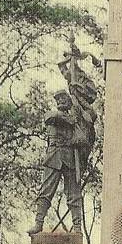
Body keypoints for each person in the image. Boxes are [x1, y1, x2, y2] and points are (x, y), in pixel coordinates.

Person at [28, 90, 87, 235]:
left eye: (64, 99)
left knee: (74, 194)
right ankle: (38, 223)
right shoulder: (52, 115)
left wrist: (77, 139)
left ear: (69, 102)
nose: (60, 101)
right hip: (54, 157)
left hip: (70, 159)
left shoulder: (75, 121)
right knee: (46, 191)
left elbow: (83, 138)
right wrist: (69, 120)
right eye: (58, 99)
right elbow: (51, 118)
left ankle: (77, 227)